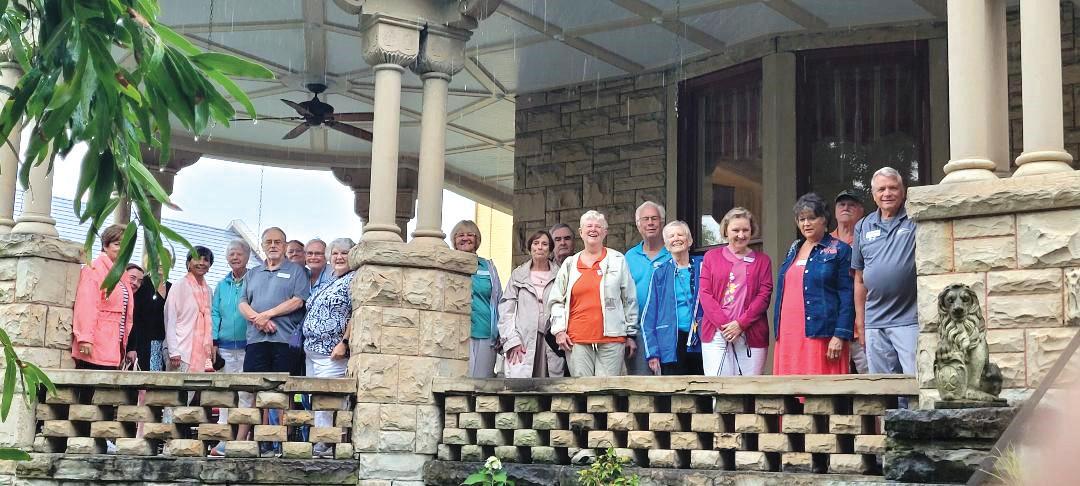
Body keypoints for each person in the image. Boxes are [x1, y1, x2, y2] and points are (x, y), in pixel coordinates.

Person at [238, 227, 310, 457]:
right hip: (256, 341)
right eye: (268, 241)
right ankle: (252, 443)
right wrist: (258, 320)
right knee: (254, 391)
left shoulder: (296, 271)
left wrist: (267, 315)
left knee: (282, 393)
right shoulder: (253, 273)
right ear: (262, 245)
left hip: (283, 341)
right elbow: (242, 303)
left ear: (285, 245)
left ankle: (281, 442)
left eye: (277, 242)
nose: (272, 245)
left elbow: (298, 301)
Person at [549, 210, 638, 377]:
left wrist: (631, 333)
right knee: (582, 389)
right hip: (576, 340)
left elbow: (629, 298)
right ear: (581, 232)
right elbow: (556, 301)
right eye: (589, 226)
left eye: (598, 226)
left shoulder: (617, 259)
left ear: (605, 232)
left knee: (607, 389)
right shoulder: (569, 264)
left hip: (612, 338)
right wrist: (559, 331)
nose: (593, 229)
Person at [773, 193, 854, 376]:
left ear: (824, 219)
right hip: (789, 333)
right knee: (790, 387)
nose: (806, 224)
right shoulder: (794, 249)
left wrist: (840, 334)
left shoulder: (840, 250)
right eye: (801, 219)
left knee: (820, 385)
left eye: (812, 218)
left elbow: (847, 297)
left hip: (821, 333)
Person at [853, 167, 919, 377]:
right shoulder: (863, 226)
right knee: (883, 386)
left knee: (915, 382)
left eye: (893, 188)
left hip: (909, 319)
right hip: (874, 322)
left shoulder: (915, 219)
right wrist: (861, 323)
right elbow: (859, 279)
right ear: (873, 195)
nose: (887, 193)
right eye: (881, 189)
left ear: (903, 191)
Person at [698, 208, 773, 376]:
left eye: (745, 230)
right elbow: (705, 294)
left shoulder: (763, 261)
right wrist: (725, 326)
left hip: (751, 332)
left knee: (750, 387)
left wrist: (740, 324)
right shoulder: (711, 257)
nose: (741, 235)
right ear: (726, 230)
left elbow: (764, 296)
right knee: (719, 387)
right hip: (717, 332)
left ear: (752, 231)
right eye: (735, 230)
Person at [301, 238, 355, 458]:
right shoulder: (330, 279)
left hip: (332, 353)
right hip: (312, 352)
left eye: (344, 253)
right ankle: (322, 441)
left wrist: (344, 342)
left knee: (328, 399)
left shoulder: (354, 278)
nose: (339, 257)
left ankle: (327, 443)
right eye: (335, 253)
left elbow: (357, 313)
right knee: (317, 399)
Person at [639, 221, 703, 375]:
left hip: (701, 338)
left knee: (705, 386)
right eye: (671, 236)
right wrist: (652, 352)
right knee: (674, 388)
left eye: (680, 234)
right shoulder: (660, 272)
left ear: (689, 240)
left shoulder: (703, 266)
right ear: (666, 245)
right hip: (671, 341)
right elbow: (649, 316)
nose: (676, 238)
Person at [498, 230, 564, 378]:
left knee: (551, 386)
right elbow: (506, 310)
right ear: (530, 248)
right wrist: (512, 341)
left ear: (550, 249)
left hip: (551, 341)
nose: (540, 247)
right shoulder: (518, 275)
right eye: (536, 243)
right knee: (522, 387)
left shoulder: (560, 274)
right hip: (523, 340)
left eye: (544, 244)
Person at [71, 224, 136, 370]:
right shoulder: (94, 269)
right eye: (117, 244)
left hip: (113, 344)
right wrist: (85, 338)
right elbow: (86, 305)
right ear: (105, 246)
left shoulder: (122, 273)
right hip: (95, 344)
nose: (122, 248)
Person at [210, 240, 252, 457]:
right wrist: (213, 341)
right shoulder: (221, 285)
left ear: (247, 256)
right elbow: (215, 313)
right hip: (224, 348)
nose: (235, 258)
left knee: (245, 394)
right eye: (231, 254)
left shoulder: (254, 279)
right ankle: (223, 439)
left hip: (248, 346)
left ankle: (240, 440)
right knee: (225, 395)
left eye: (239, 254)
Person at [624, 201, 671, 375]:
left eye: (654, 218)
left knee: (672, 383)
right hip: (639, 332)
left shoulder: (672, 253)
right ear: (638, 225)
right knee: (641, 385)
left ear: (662, 222)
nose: (650, 223)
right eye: (645, 219)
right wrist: (627, 335)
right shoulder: (629, 257)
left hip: (668, 331)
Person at [452, 220, 502, 378]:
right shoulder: (449, 263)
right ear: (454, 240)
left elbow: (499, 299)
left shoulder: (488, 267)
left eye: (470, 234)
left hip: (485, 331)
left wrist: (500, 332)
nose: (465, 238)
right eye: (460, 235)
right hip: (455, 333)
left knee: (482, 382)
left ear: (477, 239)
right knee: (458, 380)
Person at [832, 191, 869, 374]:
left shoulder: (868, 240)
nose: (845, 208)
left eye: (851, 204)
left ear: (861, 211)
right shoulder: (825, 242)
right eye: (841, 204)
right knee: (835, 381)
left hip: (863, 323)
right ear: (835, 211)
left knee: (871, 377)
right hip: (833, 327)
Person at [164, 246, 215, 373]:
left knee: (198, 386)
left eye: (206, 260)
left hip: (202, 354)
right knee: (176, 386)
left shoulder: (208, 291)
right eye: (197, 259)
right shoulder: (179, 285)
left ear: (210, 266)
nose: (201, 263)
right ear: (188, 263)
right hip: (180, 352)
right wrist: (173, 351)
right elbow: (170, 319)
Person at [127, 262, 168, 372]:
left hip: (165, 343)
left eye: (164, 259)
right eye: (157, 259)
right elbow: (133, 316)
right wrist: (132, 346)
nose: (161, 263)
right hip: (142, 342)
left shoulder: (172, 287)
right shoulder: (142, 283)